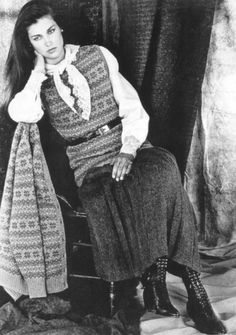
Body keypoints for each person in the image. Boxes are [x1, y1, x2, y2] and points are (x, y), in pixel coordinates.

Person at [1, 0, 227, 333]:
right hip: (88, 163)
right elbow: (22, 113)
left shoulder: (96, 55)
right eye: (37, 38)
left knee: (163, 167)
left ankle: (193, 291)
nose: (49, 42)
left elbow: (132, 107)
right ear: (29, 44)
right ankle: (154, 276)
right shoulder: (36, 86)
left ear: (59, 28)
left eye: (50, 31)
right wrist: (36, 72)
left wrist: (129, 150)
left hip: (124, 143)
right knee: (106, 193)